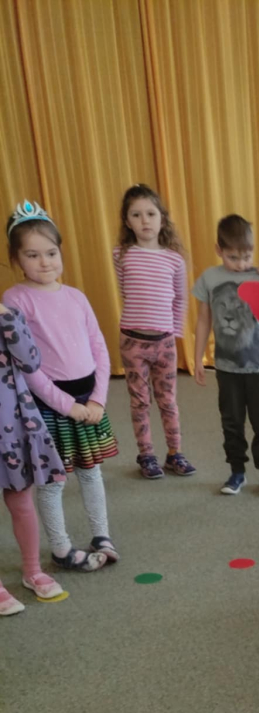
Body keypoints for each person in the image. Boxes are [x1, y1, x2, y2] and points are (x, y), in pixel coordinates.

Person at [5, 201, 118, 570]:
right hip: (50, 405)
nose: (45, 262)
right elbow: (27, 367)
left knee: (91, 472)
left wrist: (98, 399)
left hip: (89, 400)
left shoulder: (76, 297)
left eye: (51, 253)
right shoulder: (16, 299)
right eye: (33, 255)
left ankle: (102, 535)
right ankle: (61, 548)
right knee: (52, 482)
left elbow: (99, 348)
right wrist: (67, 405)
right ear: (17, 259)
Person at [193, 214, 259, 497]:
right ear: (219, 250)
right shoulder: (210, 278)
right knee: (231, 421)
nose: (242, 264)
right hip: (226, 367)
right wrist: (197, 358)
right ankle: (237, 472)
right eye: (233, 257)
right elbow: (204, 320)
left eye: (246, 257)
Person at [114, 184, 194, 479]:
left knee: (168, 400)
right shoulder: (121, 254)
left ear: (162, 218)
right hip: (133, 342)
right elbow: (126, 291)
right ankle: (146, 455)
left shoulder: (174, 259)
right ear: (127, 221)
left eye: (150, 213)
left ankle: (175, 453)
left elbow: (180, 299)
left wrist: (172, 333)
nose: (144, 220)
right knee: (139, 401)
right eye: (136, 215)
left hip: (164, 343)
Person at [0, 301, 67, 611]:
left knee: (21, 501)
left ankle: (32, 570)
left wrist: (7, 319)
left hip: (12, 424)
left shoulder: (10, 316)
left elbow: (30, 361)